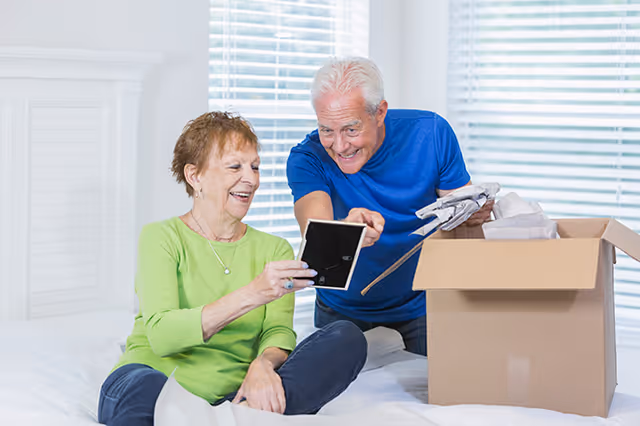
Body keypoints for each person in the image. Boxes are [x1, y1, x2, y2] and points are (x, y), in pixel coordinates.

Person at [98, 112, 367, 426]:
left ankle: (238, 413)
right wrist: (253, 293)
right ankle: (236, 418)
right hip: (155, 380)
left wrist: (264, 366)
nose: (251, 179)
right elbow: (162, 336)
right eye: (235, 167)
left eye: (255, 167)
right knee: (147, 394)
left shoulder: (273, 249)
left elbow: (277, 332)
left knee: (347, 338)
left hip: (235, 396)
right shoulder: (161, 237)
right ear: (195, 176)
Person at [286, 57, 492, 356]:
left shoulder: (431, 133)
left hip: (419, 303)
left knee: (442, 391)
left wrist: (474, 215)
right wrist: (346, 233)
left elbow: (457, 215)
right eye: (326, 130)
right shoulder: (307, 159)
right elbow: (317, 241)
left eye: (351, 129)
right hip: (340, 310)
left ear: (380, 112)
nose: (339, 145)